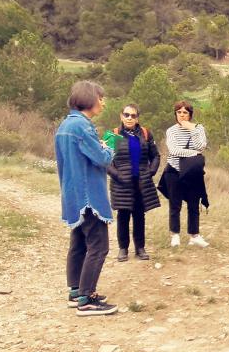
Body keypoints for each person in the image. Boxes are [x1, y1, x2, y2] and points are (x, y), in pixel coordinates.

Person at [55, 80, 118, 316]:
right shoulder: (83, 126)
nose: (103, 102)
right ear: (90, 99)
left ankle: (75, 291)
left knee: (79, 244)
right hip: (88, 196)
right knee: (98, 247)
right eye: (101, 98)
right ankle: (87, 298)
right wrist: (108, 147)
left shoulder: (65, 125)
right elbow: (102, 159)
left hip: (72, 194)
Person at [106, 103, 161, 262]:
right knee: (123, 216)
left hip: (141, 183)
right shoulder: (113, 135)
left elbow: (156, 156)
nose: (130, 118)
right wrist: (117, 175)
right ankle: (123, 249)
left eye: (133, 115)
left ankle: (140, 248)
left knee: (139, 216)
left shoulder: (145, 134)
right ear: (121, 116)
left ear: (138, 118)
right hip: (121, 184)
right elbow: (105, 161)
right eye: (127, 115)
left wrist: (151, 171)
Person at [163, 100, 209, 248]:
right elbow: (174, 150)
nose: (182, 115)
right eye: (179, 112)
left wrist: (192, 129)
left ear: (190, 114)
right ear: (175, 114)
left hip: (192, 172)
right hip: (174, 170)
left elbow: (201, 145)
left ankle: (194, 235)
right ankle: (175, 234)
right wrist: (194, 153)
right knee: (175, 204)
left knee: (194, 204)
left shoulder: (198, 128)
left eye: (185, 112)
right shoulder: (171, 131)